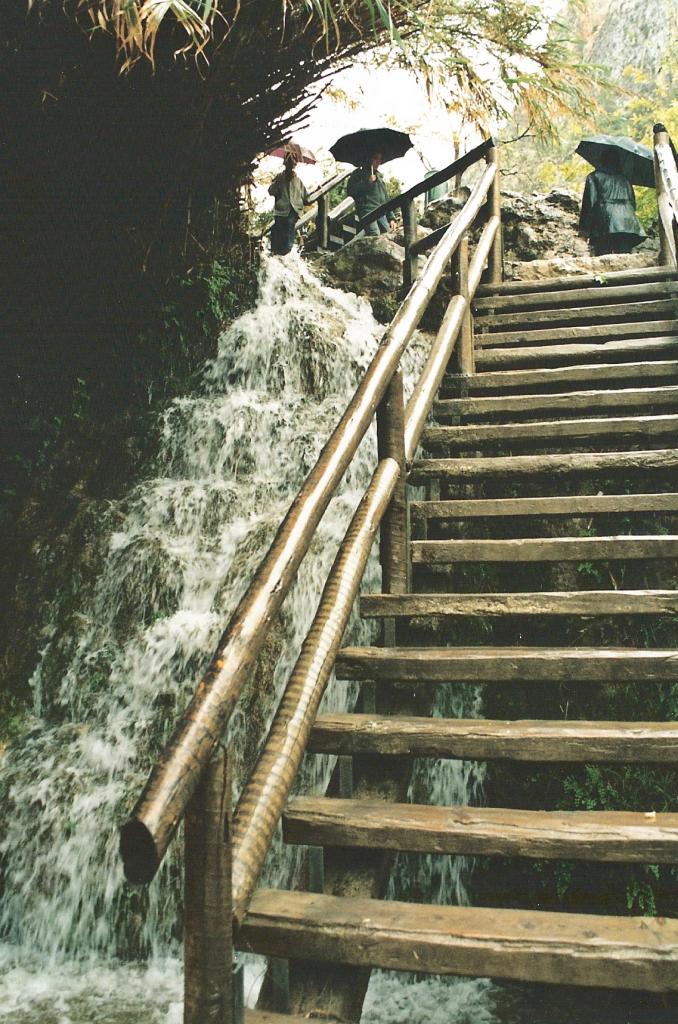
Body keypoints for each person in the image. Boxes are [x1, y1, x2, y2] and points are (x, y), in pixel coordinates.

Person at [578, 151, 647, 256]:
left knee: (603, 259)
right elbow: (633, 203)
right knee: (625, 259)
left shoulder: (594, 177)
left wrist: (584, 232)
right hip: (628, 223)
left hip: (605, 222)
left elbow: (589, 204)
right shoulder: (625, 179)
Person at [268, 149, 310, 255]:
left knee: (289, 224)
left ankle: (287, 250)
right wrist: (276, 183)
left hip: (294, 209)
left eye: (292, 164)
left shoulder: (298, 180)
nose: (290, 166)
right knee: (278, 228)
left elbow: (306, 196)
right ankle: (276, 251)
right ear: (285, 164)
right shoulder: (280, 178)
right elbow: (271, 191)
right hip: (281, 209)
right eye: (289, 164)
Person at [347, 151, 397, 236]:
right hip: (367, 211)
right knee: (375, 234)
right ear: (369, 159)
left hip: (381, 212)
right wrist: (367, 182)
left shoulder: (380, 178)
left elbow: (386, 199)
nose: (378, 162)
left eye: (380, 159)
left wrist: (391, 218)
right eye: (375, 158)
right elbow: (351, 191)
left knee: (388, 236)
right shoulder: (358, 173)